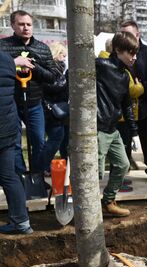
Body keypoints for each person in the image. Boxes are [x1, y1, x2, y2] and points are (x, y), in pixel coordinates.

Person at [0, 10, 57, 175]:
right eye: (21, 24)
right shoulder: (3, 47)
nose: (25, 28)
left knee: (39, 140)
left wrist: (35, 67)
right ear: (13, 25)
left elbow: (52, 77)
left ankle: (38, 175)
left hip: (34, 103)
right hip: (11, 104)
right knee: (15, 142)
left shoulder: (42, 48)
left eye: (29, 24)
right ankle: (21, 176)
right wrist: (14, 63)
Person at [96, 31, 138, 217]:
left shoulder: (124, 75)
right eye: (131, 53)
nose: (134, 57)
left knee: (122, 164)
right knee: (94, 172)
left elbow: (127, 104)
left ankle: (108, 201)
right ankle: (84, 207)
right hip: (96, 129)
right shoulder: (100, 65)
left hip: (112, 129)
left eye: (135, 53)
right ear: (118, 50)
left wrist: (133, 130)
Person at [119, 20, 147, 184]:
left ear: (137, 35)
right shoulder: (117, 53)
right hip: (124, 105)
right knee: (124, 140)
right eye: (121, 34)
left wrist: (143, 87)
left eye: (128, 34)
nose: (124, 37)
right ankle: (124, 170)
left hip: (146, 105)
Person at [0, 50, 32, 234]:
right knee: (8, 176)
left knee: (7, 176)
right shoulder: (6, 59)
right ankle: (22, 222)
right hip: (9, 126)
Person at [42, 42, 69, 172]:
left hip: (57, 108)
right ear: (56, 54)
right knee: (56, 138)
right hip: (51, 110)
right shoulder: (51, 68)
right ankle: (44, 165)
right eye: (63, 55)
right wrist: (66, 81)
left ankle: (64, 163)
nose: (64, 59)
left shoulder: (59, 69)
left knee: (62, 139)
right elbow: (53, 86)